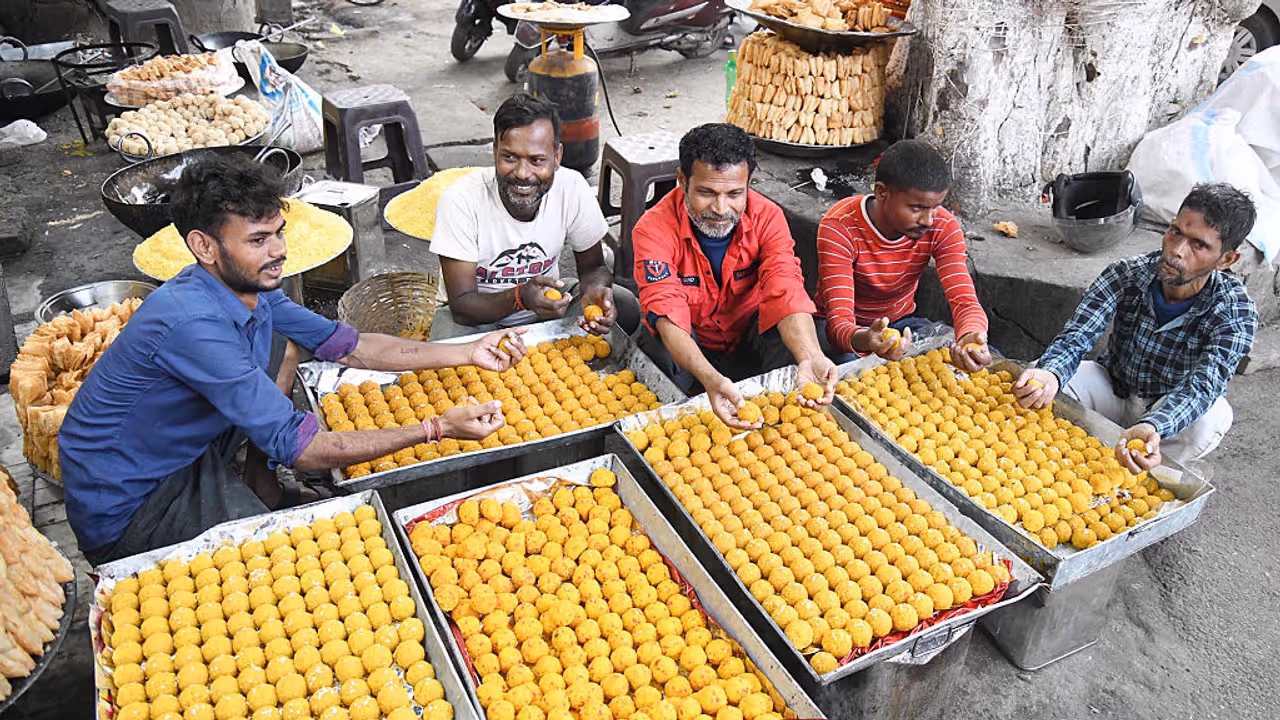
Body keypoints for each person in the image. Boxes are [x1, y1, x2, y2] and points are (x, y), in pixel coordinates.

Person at [59, 157, 527, 566]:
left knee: (278, 347)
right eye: (258, 240)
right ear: (204, 247)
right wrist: (436, 429)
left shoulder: (247, 292)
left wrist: (466, 352)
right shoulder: (191, 324)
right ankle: (230, 508)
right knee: (285, 569)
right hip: (131, 501)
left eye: (278, 234)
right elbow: (303, 449)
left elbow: (354, 346)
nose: (279, 251)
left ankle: (259, 482)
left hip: (172, 447)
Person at [1014, 183, 1259, 471]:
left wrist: (1154, 424)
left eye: (1199, 244)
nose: (1177, 251)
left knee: (1209, 420)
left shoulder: (1235, 312)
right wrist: (1052, 372)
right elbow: (1077, 336)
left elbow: (1202, 387)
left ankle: (1144, 469)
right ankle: (1054, 462)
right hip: (1114, 387)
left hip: (1166, 408)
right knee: (1039, 380)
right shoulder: (1126, 274)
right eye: (1176, 232)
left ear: (1226, 259)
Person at [631, 122, 837, 428]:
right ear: (681, 181)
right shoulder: (653, 229)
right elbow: (666, 312)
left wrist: (809, 356)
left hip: (747, 335)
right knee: (656, 346)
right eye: (706, 192)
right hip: (692, 342)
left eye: (734, 193)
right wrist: (709, 378)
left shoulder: (767, 217)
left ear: (749, 183)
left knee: (812, 337)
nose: (720, 208)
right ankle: (689, 410)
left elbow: (786, 289)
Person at [430, 93, 639, 340]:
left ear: (557, 157)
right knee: (446, 346)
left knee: (626, 307)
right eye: (509, 157)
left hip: (549, 310)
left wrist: (595, 291)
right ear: (495, 151)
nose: (522, 173)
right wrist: (520, 298)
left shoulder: (571, 187)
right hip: (479, 320)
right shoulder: (461, 200)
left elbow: (593, 266)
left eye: (537, 160)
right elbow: (463, 306)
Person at [815, 139, 990, 371]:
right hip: (838, 329)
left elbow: (965, 301)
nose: (928, 220)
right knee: (855, 371)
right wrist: (869, 340)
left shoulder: (943, 226)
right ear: (881, 192)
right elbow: (839, 325)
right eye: (916, 208)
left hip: (902, 323)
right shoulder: (840, 227)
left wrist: (972, 336)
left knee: (976, 359)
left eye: (936, 206)